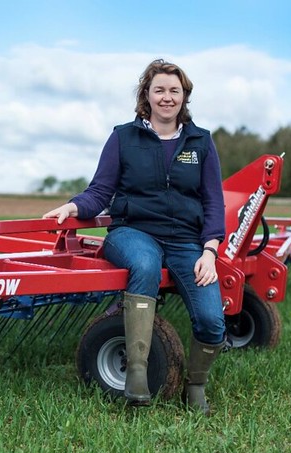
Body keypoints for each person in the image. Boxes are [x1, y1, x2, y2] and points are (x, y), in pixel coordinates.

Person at [43, 59, 226, 414]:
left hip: (186, 242)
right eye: (159, 89)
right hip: (132, 231)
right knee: (144, 263)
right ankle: (136, 377)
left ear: (184, 96)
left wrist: (210, 251)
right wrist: (73, 207)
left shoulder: (200, 142)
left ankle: (196, 386)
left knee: (211, 319)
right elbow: (100, 191)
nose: (167, 97)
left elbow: (213, 203)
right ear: (147, 94)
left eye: (174, 90)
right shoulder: (124, 137)